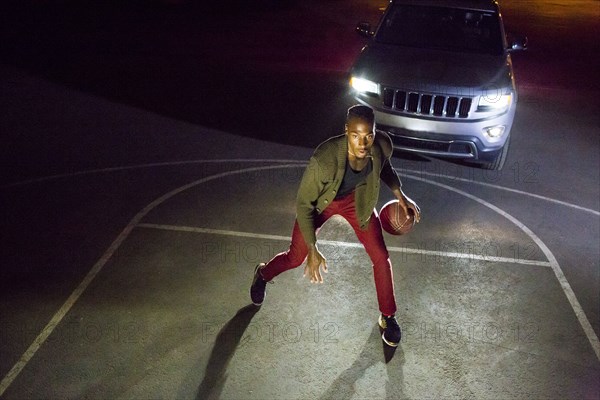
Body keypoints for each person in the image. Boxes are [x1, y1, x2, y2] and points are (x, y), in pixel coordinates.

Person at [250, 104, 421, 347]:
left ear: (374, 132)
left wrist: (400, 194)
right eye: (355, 136)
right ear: (345, 131)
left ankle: (388, 317)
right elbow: (303, 203)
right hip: (321, 202)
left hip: (357, 201)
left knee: (381, 256)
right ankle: (263, 274)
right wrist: (312, 247)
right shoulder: (325, 159)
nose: (362, 143)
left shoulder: (380, 146)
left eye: (368, 136)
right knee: (296, 256)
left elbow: (385, 168)